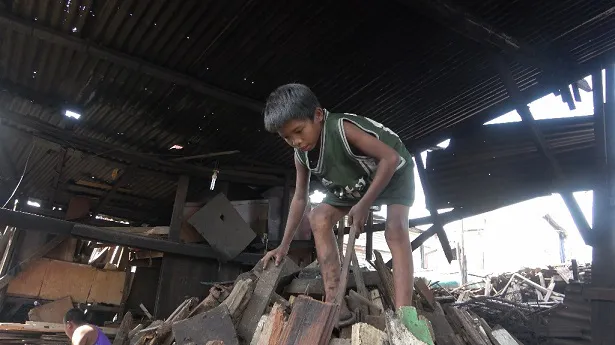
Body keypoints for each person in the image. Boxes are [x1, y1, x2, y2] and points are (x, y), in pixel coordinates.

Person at [262, 83, 415, 326]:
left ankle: (405, 316)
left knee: (395, 229)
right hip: (353, 183)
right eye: (287, 137)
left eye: (299, 131)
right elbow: (300, 197)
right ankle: (336, 304)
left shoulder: (343, 129)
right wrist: (284, 246)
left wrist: (365, 204)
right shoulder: (300, 154)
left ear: (319, 115)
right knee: (318, 217)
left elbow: (391, 157)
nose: (296, 141)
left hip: (392, 171)